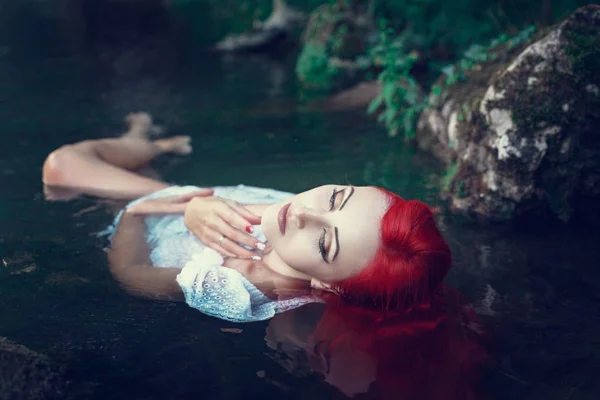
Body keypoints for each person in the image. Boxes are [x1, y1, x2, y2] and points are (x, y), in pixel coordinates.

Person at [41, 113, 452, 322]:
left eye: (325, 243)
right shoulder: (306, 224)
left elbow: (130, 275)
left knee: (60, 171)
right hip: (184, 200)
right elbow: (274, 213)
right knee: (101, 170)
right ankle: (143, 142)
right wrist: (197, 207)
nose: (304, 210)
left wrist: (142, 210)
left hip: (148, 216)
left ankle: (143, 140)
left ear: (330, 286)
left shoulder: (236, 284)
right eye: (337, 196)